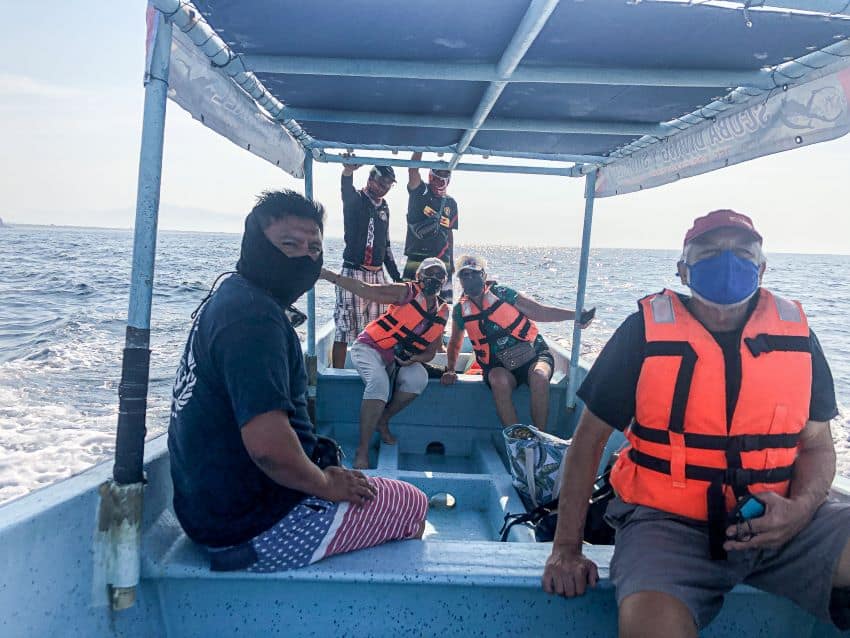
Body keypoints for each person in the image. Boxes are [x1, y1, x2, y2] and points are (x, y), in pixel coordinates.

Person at [541, 209, 850, 636]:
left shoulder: (797, 337)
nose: (727, 261)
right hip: (666, 527)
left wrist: (799, 510)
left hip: (781, 517)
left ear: (761, 269)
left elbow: (817, 444)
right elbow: (589, 440)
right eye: (709, 251)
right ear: (683, 269)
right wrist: (566, 549)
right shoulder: (642, 333)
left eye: (742, 252)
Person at [168, 190, 427, 573]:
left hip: (212, 512)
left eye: (313, 247)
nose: (305, 256)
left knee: (366, 486)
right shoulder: (253, 321)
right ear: (256, 244)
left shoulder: (233, 295)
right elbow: (269, 449)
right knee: (411, 504)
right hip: (251, 528)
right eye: (289, 244)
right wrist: (325, 483)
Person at [441, 255, 593, 431]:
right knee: (498, 381)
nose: (469, 278)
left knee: (539, 376)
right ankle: (516, 439)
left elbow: (539, 312)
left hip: (533, 356)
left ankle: (540, 436)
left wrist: (574, 315)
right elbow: (455, 342)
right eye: (464, 275)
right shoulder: (461, 310)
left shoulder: (503, 294)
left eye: (474, 274)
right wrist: (451, 369)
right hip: (499, 365)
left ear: (483, 275)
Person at [323, 257, 450, 469]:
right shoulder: (405, 292)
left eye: (440, 275)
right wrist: (330, 276)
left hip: (397, 360)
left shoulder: (440, 312)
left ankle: (383, 419)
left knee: (419, 378)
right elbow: (366, 289)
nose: (434, 278)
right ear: (419, 276)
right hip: (369, 349)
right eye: (430, 273)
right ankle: (362, 450)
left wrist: (415, 359)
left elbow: (429, 352)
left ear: (445, 280)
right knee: (379, 383)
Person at [332, 161, 403, 368]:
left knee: (380, 326)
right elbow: (346, 189)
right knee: (345, 327)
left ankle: (378, 369)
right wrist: (347, 172)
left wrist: (396, 277)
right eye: (382, 182)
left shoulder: (385, 207)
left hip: (378, 274)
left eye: (389, 184)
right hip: (353, 271)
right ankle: (337, 374)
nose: (384, 187)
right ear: (371, 178)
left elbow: (386, 244)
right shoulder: (356, 199)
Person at [402, 152, 459, 302]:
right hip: (417, 256)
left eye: (444, 176)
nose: (440, 180)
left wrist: (451, 262)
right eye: (437, 175)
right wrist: (420, 147)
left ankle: (437, 325)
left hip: (442, 259)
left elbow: (450, 233)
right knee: (408, 298)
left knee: (442, 303)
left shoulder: (451, 203)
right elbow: (412, 171)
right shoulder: (420, 191)